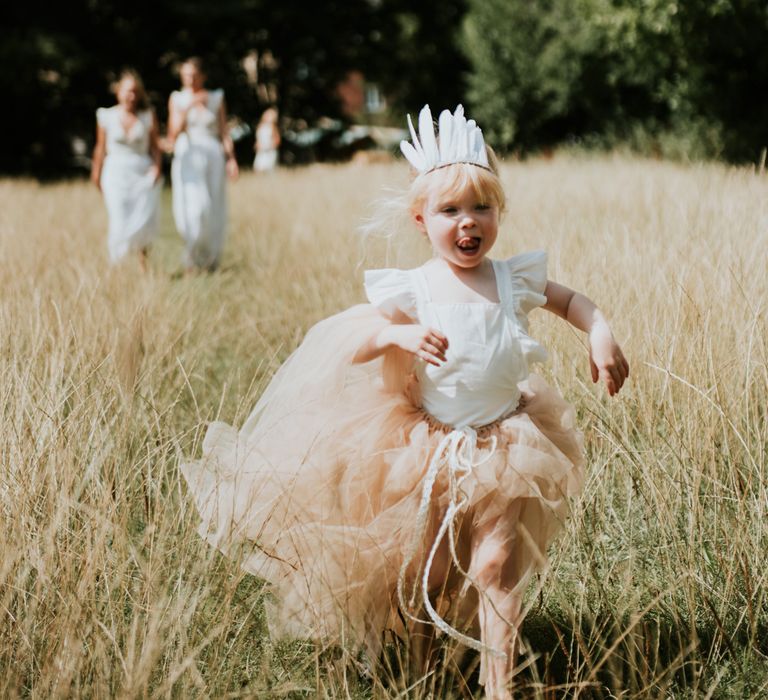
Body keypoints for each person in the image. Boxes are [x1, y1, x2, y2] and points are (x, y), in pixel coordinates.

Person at [181, 105, 629, 698]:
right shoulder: (415, 287)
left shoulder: (512, 279)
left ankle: (501, 687)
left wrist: (599, 333)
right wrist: (397, 335)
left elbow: (574, 302)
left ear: (499, 212)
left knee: (496, 564)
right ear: (422, 220)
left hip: (506, 440)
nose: (467, 223)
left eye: (481, 208)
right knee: (432, 570)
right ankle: (424, 667)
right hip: (426, 445)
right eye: (450, 211)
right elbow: (355, 342)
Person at [167, 57, 238, 272]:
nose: (190, 79)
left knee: (214, 207)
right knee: (194, 207)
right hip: (188, 155)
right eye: (186, 75)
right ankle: (191, 257)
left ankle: (210, 259)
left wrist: (231, 159)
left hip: (213, 156)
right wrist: (188, 107)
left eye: (194, 75)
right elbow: (173, 133)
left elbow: (224, 132)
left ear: (202, 76)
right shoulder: (177, 99)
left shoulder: (216, 97)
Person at [91, 70, 162, 269]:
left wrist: (157, 168)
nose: (131, 96)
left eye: (135, 92)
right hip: (115, 173)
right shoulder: (106, 116)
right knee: (119, 217)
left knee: (142, 218)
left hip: (142, 173)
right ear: (118, 92)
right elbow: (100, 147)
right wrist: (96, 172)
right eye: (127, 91)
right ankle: (118, 264)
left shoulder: (147, 116)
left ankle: (143, 265)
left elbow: (155, 148)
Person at [253, 107, 281, 172]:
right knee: (258, 168)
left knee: (269, 168)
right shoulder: (260, 126)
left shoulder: (274, 128)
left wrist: (271, 146)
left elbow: (277, 140)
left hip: (270, 151)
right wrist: (257, 145)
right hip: (261, 151)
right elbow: (258, 139)